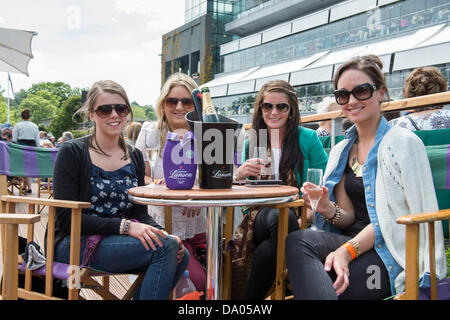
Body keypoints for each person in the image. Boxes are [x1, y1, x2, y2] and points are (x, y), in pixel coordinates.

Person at [285, 55, 447, 300]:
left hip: (390, 250)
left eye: (361, 91)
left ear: (380, 92)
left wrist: (346, 252)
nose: (351, 101)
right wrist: (327, 208)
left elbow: (397, 219)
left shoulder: (403, 143)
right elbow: (347, 216)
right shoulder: (342, 150)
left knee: (331, 286)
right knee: (297, 241)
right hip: (349, 240)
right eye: (343, 94)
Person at [51, 80, 189, 300]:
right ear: (91, 115)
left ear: (127, 113)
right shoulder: (72, 152)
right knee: (166, 249)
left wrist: (161, 232)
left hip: (115, 238)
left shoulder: (133, 155)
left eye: (121, 108)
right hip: (75, 242)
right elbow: (66, 219)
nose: (114, 114)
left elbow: (138, 213)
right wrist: (125, 227)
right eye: (105, 109)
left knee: (181, 252)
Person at [233, 80, 328, 299]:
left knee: (268, 250)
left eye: (281, 107)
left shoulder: (308, 138)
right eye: (268, 106)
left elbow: (323, 182)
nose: (273, 112)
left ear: (291, 110)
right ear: (261, 109)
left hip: (299, 215)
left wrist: (311, 213)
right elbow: (245, 196)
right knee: (278, 216)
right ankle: (306, 286)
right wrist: (239, 175)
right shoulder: (252, 142)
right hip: (260, 218)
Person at [135, 73, 207, 292]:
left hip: (201, 225)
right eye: (171, 100)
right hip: (164, 225)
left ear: (195, 104)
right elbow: (142, 177)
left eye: (186, 101)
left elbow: (218, 179)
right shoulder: (150, 132)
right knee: (198, 285)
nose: (179, 106)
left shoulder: (207, 135)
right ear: (162, 104)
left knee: (227, 279)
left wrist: (195, 195)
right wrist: (160, 185)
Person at [12, 109, 40, 193]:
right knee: (28, 167)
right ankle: (28, 186)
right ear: (30, 117)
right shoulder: (35, 126)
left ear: (21, 117)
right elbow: (37, 141)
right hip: (31, 148)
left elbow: (14, 139)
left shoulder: (17, 125)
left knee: (21, 167)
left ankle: (23, 186)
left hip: (21, 147)